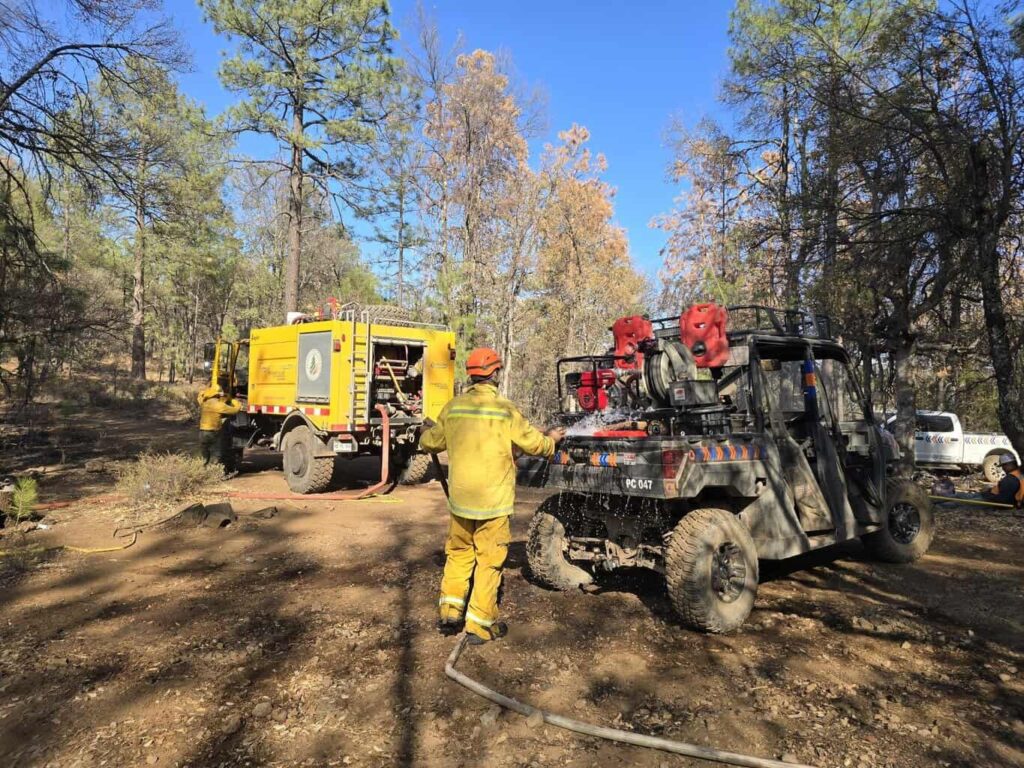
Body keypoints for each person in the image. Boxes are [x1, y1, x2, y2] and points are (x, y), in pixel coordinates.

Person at [420, 347, 566, 644]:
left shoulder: (453, 407)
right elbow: (534, 445)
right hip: (493, 505)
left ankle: (449, 613)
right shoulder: (504, 409)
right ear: (495, 374)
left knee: (459, 555)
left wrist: (427, 431)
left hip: (460, 503)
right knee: (488, 562)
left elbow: (430, 443)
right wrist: (551, 441)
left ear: (471, 375)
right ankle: (480, 626)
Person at [198, 376, 241, 477]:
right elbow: (235, 410)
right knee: (217, 454)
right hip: (214, 433)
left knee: (205, 453)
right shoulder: (219, 406)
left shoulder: (204, 403)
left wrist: (203, 393)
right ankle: (215, 475)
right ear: (218, 395)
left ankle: (203, 473)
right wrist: (235, 402)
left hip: (202, 432)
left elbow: (199, 397)